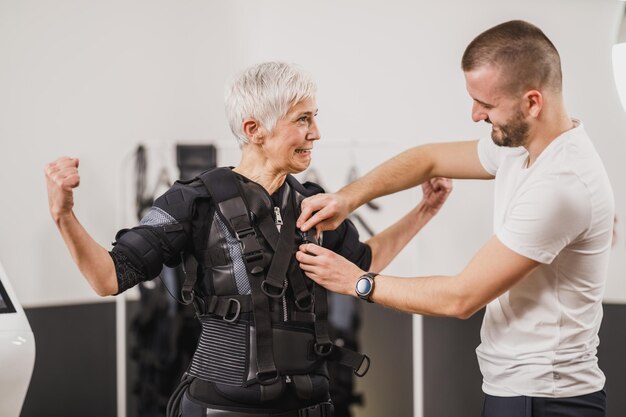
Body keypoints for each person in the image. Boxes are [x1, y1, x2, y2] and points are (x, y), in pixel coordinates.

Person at [44, 61, 452, 417]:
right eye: (303, 119)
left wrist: (425, 211)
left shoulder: (314, 203)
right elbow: (107, 278)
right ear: (254, 129)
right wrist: (64, 216)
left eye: (315, 117)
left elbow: (365, 263)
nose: (317, 133)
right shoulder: (193, 201)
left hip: (309, 404)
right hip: (224, 406)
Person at [295, 20, 613, 417]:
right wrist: (347, 197)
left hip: (546, 399)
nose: (475, 114)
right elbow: (428, 157)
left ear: (532, 103)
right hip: (516, 389)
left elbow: (461, 297)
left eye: (487, 104)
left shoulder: (562, 186)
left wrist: (355, 282)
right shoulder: (522, 148)